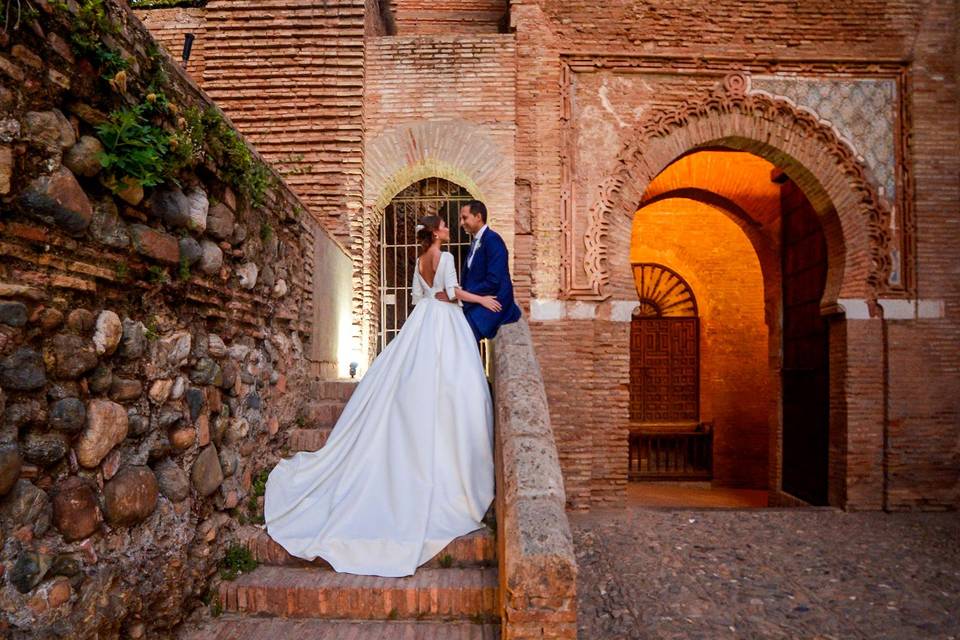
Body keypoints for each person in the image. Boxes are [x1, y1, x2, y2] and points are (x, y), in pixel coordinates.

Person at [263, 215, 501, 577]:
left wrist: (441, 297)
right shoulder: (447, 257)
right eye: (445, 225)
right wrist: (482, 299)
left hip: (422, 322)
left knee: (412, 383)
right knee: (453, 391)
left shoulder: (420, 259)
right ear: (437, 231)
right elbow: (452, 293)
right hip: (446, 323)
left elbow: (418, 297)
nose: (450, 228)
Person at [437, 200, 522, 341]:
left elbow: (494, 281)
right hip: (478, 300)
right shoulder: (476, 241)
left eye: (464, 218)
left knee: (461, 336)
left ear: (478, 217)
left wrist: (463, 295)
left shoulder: (493, 240)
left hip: (495, 302)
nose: (461, 223)